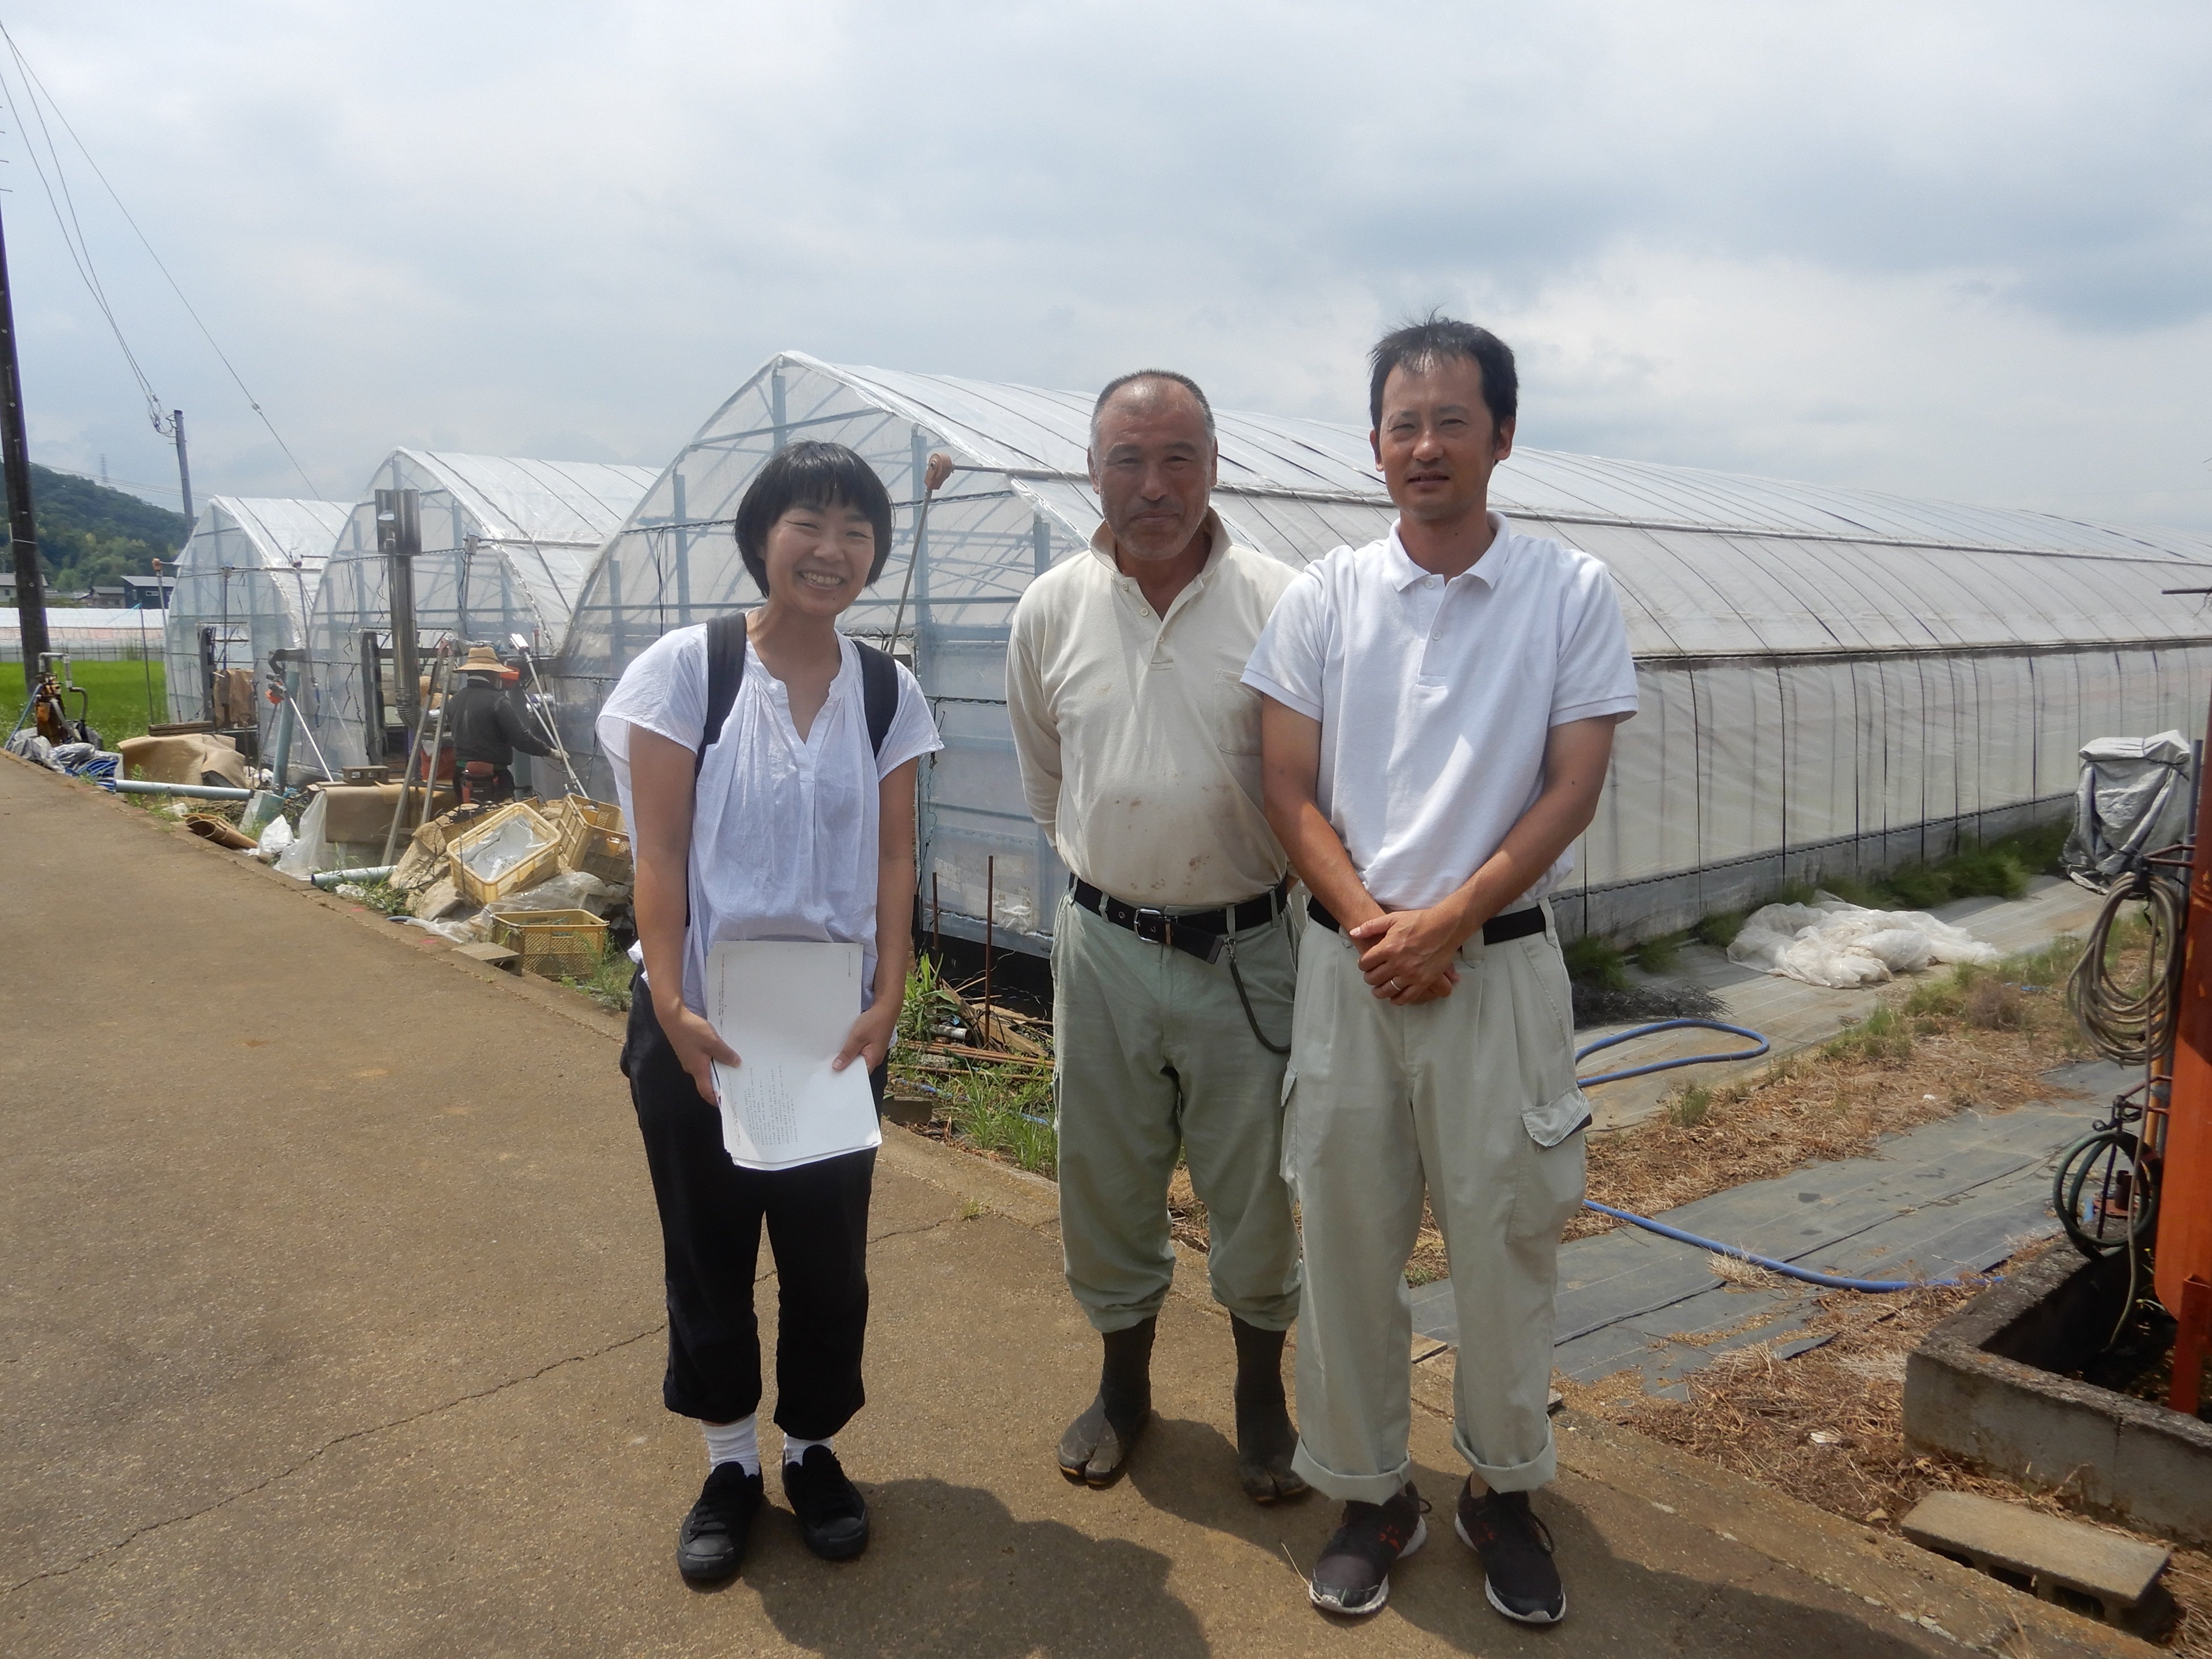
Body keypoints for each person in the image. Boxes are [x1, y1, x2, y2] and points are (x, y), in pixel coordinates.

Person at [1243, 316, 1638, 1623]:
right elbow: (1286, 784)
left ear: (1502, 436)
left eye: (1450, 420)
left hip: (1497, 971)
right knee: (1348, 1234)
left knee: (1504, 1236)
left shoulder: (1567, 591)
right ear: (1375, 444)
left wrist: (1451, 917)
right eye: (1401, 424)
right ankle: (1369, 1489)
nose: (1423, 445)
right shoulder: (1324, 595)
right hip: (1350, 967)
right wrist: (1376, 923)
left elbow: (1571, 783)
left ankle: (1500, 1487)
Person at [596, 441, 943, 1584]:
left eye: (856, 530)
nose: (832, 548)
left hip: (830, 1023)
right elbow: (659, 851)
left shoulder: (885, 690)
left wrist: (890, 993)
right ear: (762, 536)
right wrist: (672, 997)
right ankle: (730, 1462)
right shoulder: (688, 671)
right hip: (700, 1013)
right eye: (809, 522)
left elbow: (895, 856)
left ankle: (814, 1450)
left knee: (827, 1254)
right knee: (707, 1246)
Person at [1006, 369, 1306, 1500]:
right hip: (1106, 943)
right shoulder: (1053, 608)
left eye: (1178, 456)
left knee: (1259, 1183)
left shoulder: (1282, 598)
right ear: (1092, 472)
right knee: (1105, 1174)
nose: (1154, 483)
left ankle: (1259, 1393)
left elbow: (1310, 775)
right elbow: (1049, 778)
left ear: (1214, 465)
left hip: (1251, 945)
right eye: (1127, 459)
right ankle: (1125, 1384)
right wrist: (1115, 872)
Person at [443, 643, 552, 803]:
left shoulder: (455, 700)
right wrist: (549, 751)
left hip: (462, 776)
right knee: (499, 823)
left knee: (471, 822)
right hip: (493, 778)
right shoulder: (498, 701)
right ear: (492, 674)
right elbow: (521, 739)